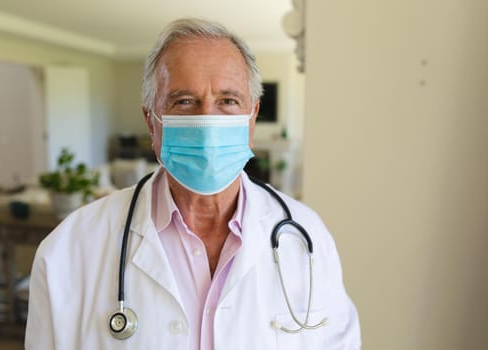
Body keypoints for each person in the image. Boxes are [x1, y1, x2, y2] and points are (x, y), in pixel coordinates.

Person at [25, 18, 361, 350]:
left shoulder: (306, 237)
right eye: (184, 101)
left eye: (228, 101)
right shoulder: (69, 250)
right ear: (151, 121)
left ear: (252, 118)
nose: (209, 121)